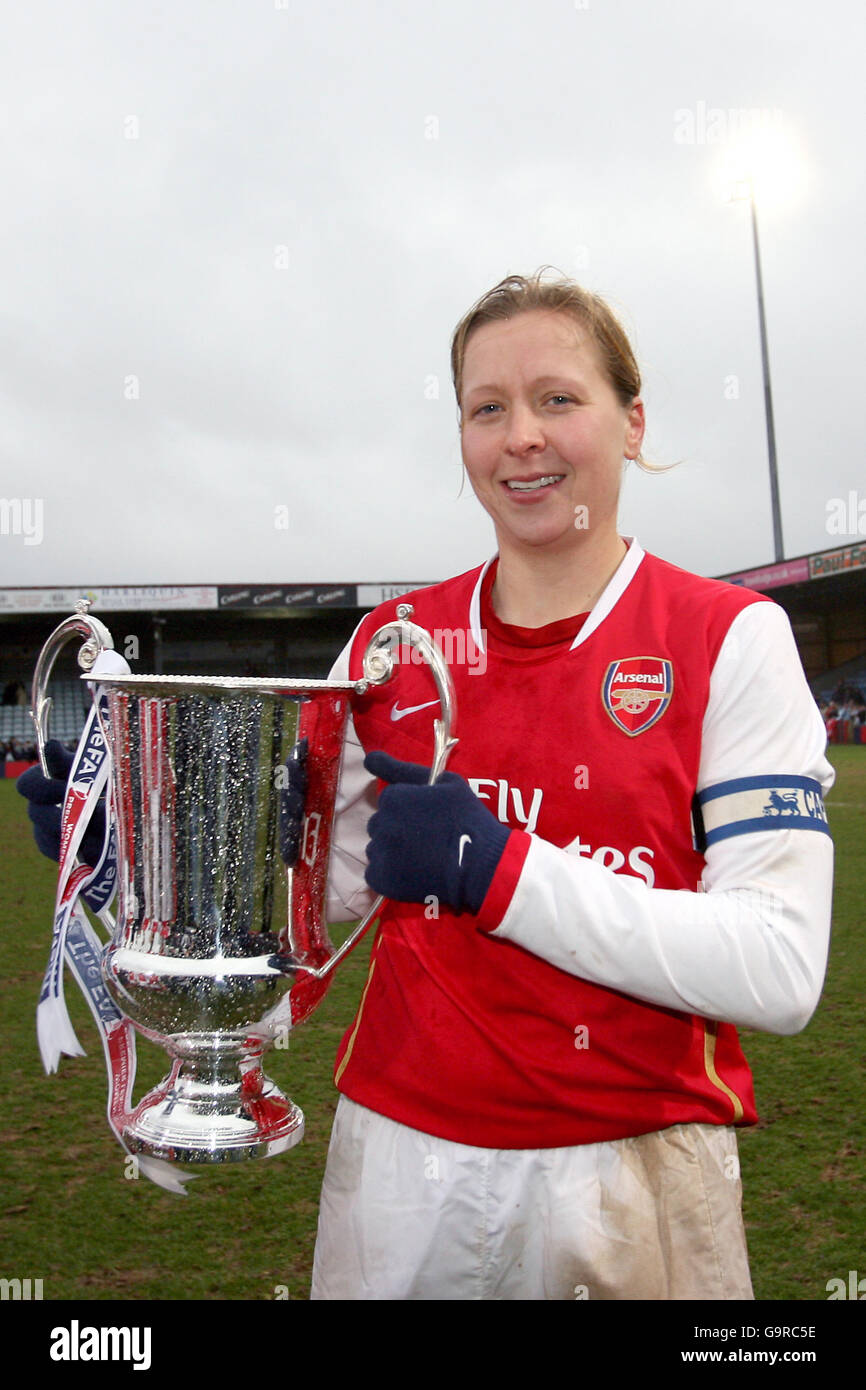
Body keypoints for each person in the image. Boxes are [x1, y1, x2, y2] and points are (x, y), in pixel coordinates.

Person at [309, 271, 835, 1300]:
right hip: (400, 1161)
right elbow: (318, 910)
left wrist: (499, 871)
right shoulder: (388, 647)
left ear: (630, 422)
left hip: (636, 1164)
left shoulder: (728, 635)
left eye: (557, 399)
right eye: (486, 408)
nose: (521, 438)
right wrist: (159, 861)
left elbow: (776, 967)